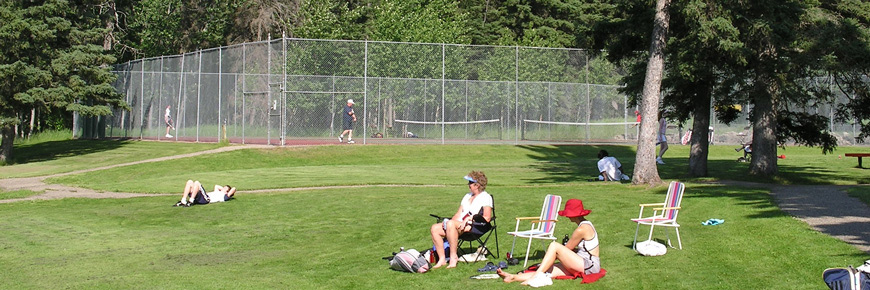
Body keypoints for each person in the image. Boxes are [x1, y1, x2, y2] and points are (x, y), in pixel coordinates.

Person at [497, 199, 600, 287]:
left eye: (569, 214)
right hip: (582, 262)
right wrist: (546, 264)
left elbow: (568, 248)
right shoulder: (585, 225)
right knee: (548, 271)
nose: (567, 217)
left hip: (589, 265)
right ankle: (513, 277)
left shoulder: (582, 229)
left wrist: (547, 260)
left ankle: (534, 277)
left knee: (554, 246)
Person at [429, 171, 493, 269]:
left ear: (477, 185)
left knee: (450, 224)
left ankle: (453, 257)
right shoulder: (467, 196)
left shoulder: (485, 197)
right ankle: (442, 259)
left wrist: (470, 218)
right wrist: (446, 223)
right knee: (435, 228)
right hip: (458, 224)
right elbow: (458, 214)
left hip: (474, 226)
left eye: (470, 183)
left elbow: (487, 218)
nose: (468, 185)